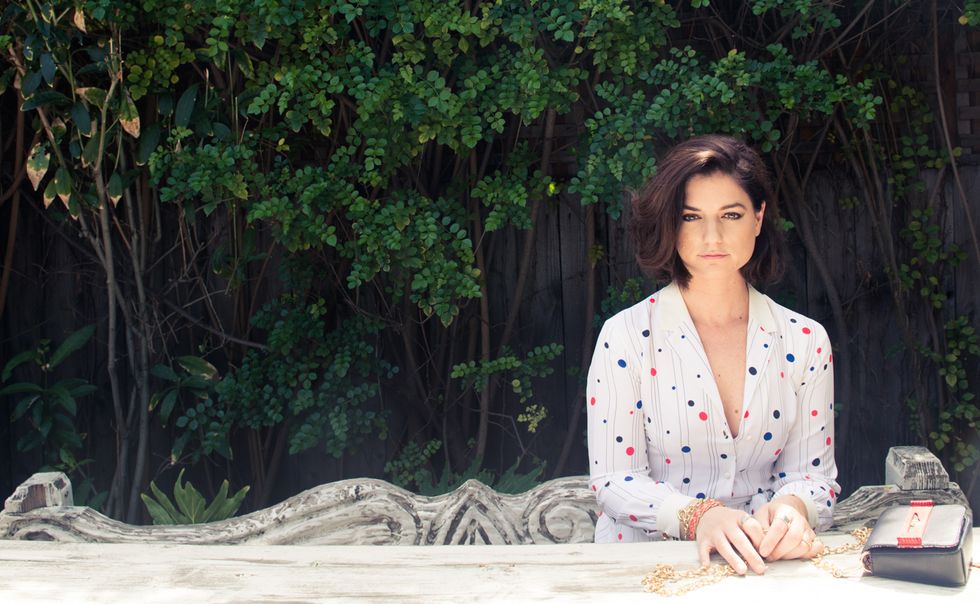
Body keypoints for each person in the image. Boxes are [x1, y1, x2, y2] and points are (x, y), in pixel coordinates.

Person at [586, 134, 840, 576]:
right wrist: (699, 516)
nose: (712, 236)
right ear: (670, 224)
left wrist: (792, 510)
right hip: (643, 568)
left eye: (731, 215)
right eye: (691, 217)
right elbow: (613, 481)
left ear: (758, 218)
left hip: (766, 566)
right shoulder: (624, 337)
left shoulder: (805, 341)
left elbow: (812, 476)